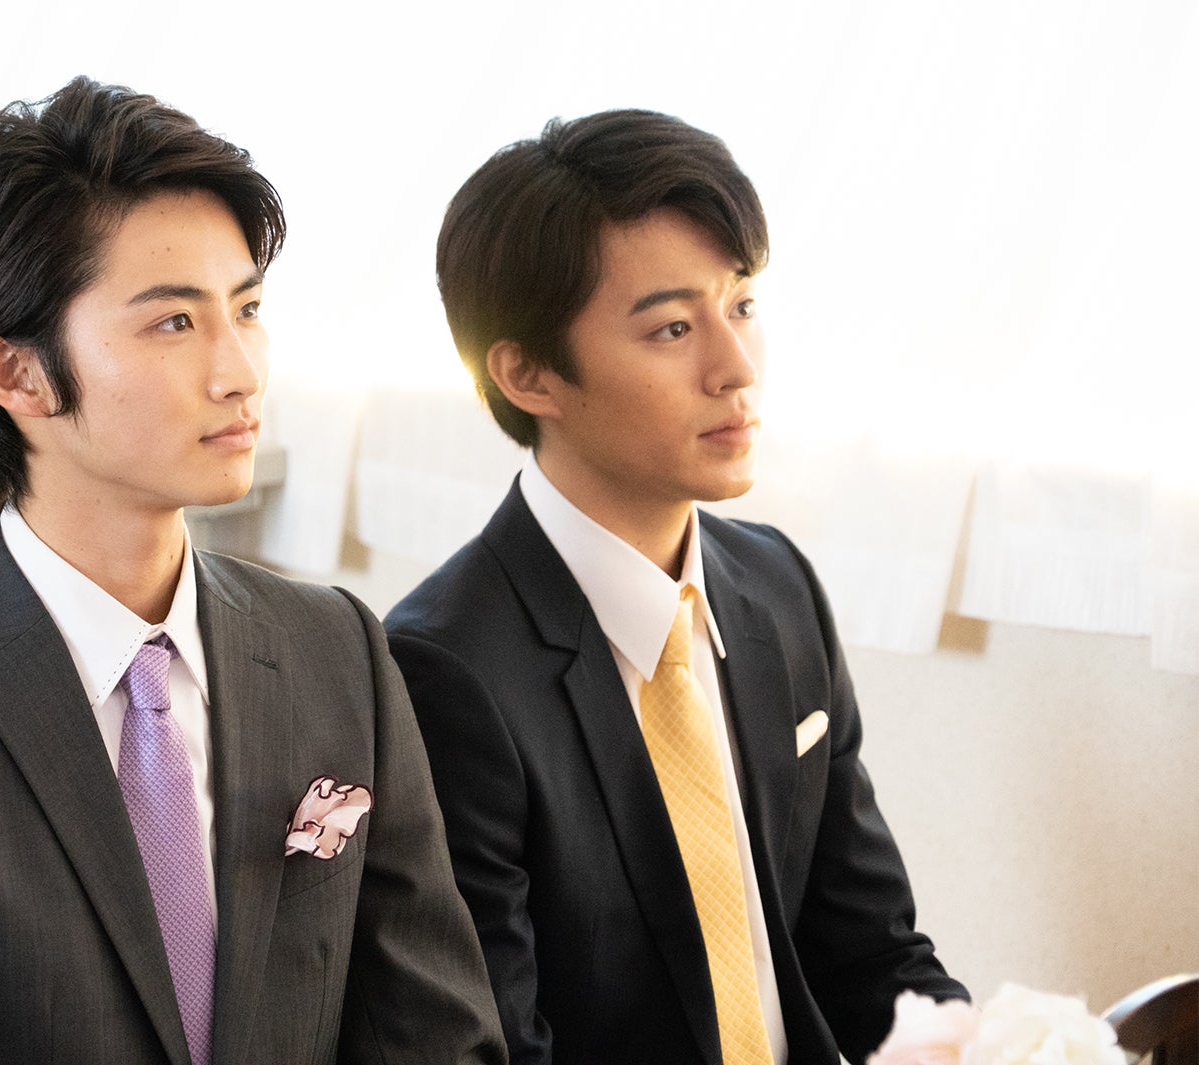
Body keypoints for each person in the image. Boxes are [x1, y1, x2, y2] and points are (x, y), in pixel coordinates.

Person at [0, 77, 506, 1065]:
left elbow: (438, 1035)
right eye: (173, 323)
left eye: (247, 310)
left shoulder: (335, 648)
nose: (240, 372)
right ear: (17, 373)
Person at [384, 109, 966, 1065]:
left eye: (741, 305)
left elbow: (871, 953)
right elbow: (498, 1046)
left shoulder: (776, 585)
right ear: (528, 374)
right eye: (672, 327)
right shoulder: (441, 671)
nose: (734, 369)